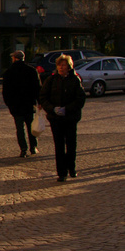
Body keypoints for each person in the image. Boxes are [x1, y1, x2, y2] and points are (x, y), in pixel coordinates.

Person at [39, 54, 86, 182]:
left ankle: (72, 168)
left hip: (70, 118)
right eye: (59, 65)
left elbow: (80, 99)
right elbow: (43, 97)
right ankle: (61, 172)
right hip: (55, 118)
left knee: (71, 145)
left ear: (69, 67)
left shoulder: (75, 80)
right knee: (59, 146)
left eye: (64, 65)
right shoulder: (51, 80)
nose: (61, 67)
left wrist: (68, 109)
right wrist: (52, 109)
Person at [2, 50, 42, 158]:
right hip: (28, 104)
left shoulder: (9, 72)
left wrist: (8, 103)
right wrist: (39, 101)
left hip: (16, 105)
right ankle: (33, 147)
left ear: (14, 58)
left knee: (19, 128)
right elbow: (37, 88)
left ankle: (23, 149)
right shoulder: (31, 71)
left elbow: (6, 91)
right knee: (31, 126)